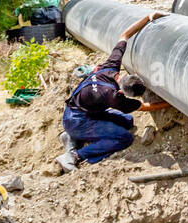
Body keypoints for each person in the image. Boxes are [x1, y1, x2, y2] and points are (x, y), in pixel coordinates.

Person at [58, 11, 162, 172]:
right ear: (123, 93)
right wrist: (173, 103)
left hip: (81, 112)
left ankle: (72, 137)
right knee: (124, 138)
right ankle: (75, 155)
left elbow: (124, 35)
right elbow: (146, 107)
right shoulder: (113, 97)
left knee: (127, 121)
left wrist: (149, 17)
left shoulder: (111, 65)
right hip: (77, 120)